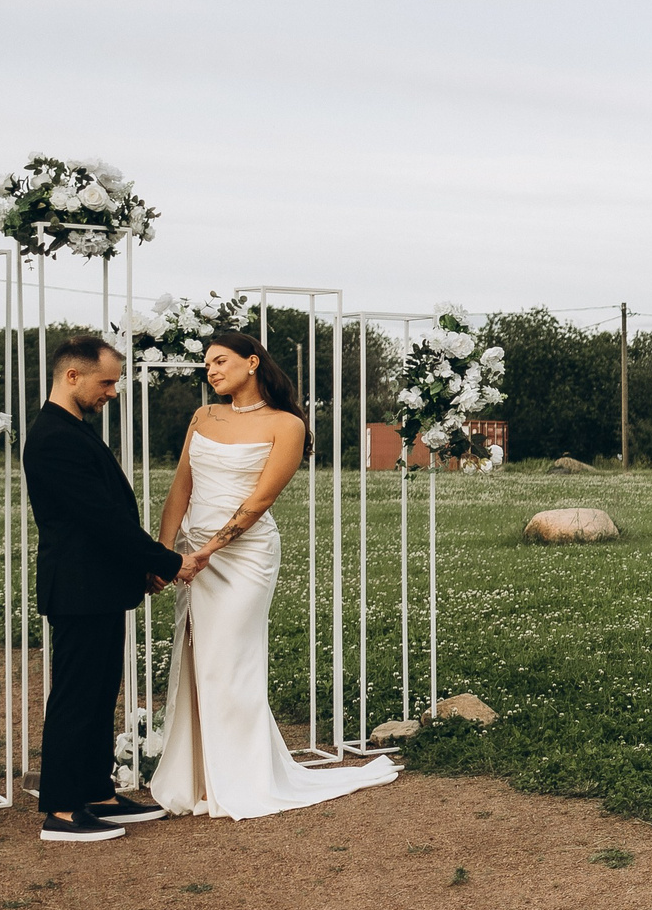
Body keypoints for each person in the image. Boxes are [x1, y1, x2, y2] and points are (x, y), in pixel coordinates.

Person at [148, 332, 400, 819]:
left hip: (243, 558)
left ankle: (243, 779)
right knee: (199, 659)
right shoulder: (203, 417)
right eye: (207, 364)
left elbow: (260, 501)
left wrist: (207, 552)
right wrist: (165, 551)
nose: (212, 370)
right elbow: (181, 485)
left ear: (252, 362)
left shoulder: (288, 425)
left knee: (230, 661)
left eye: (220, 361)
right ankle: (201, 779)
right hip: (192, 555)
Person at [23, 335, 191, 843]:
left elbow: (106, 517)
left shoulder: (70, 429)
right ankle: (62, 810)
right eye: (107, 381)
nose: (113, 392)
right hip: (77, 587)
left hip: (95, 585)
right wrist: (167, 561)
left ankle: (96, 791)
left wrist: (139, 569)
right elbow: (100, 521)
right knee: (77, 696)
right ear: (71, 376)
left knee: (98, 694)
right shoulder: (53, 436)